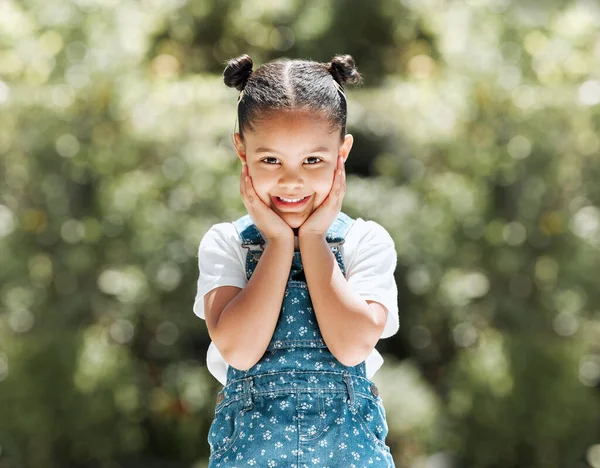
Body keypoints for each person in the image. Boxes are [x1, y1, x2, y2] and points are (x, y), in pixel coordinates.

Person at [193, 53, 399, 467]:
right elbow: (240, 350)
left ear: (343, 153)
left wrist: (314, 239)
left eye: (313, 160)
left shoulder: (365, 242)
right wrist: (278, 244)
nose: (292, 180)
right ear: (241, 150)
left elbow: (352, 345)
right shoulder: (227, 243)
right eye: (270, 160)